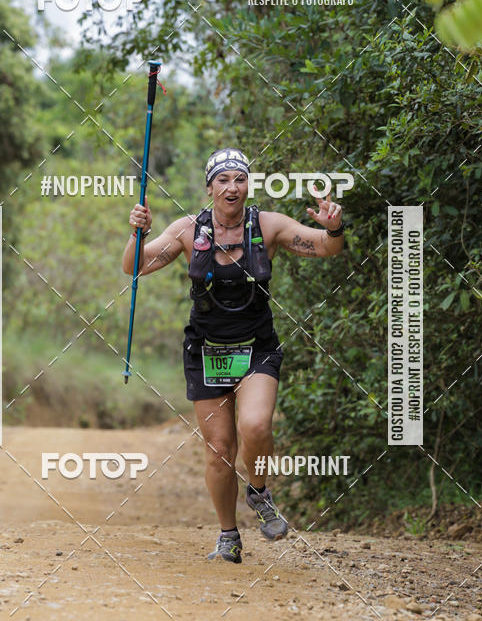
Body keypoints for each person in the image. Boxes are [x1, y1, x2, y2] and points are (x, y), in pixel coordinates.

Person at [122, 148, 344, 563]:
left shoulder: (268, 225)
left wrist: (333, 228)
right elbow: (134, 266)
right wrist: (137, 231)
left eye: (239, 179)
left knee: (256, 425)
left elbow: (325, 248)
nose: (232, 187)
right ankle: (228, 534)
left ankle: (259, 492)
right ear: (210, 188)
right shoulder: (188, 230)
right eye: (223, 180)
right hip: (206, 351)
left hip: (257, 348)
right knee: (219, 449)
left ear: (248, 186)